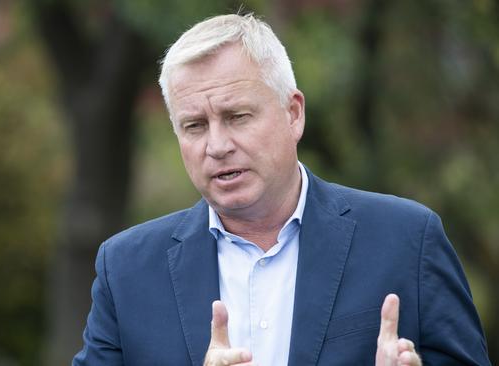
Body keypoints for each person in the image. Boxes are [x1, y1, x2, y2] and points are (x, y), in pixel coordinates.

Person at [72, 13, 490, 366]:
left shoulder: (406, 240)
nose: (217, 146)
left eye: (237, 116)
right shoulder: (126, 270)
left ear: (293, 114)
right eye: (194, 126)